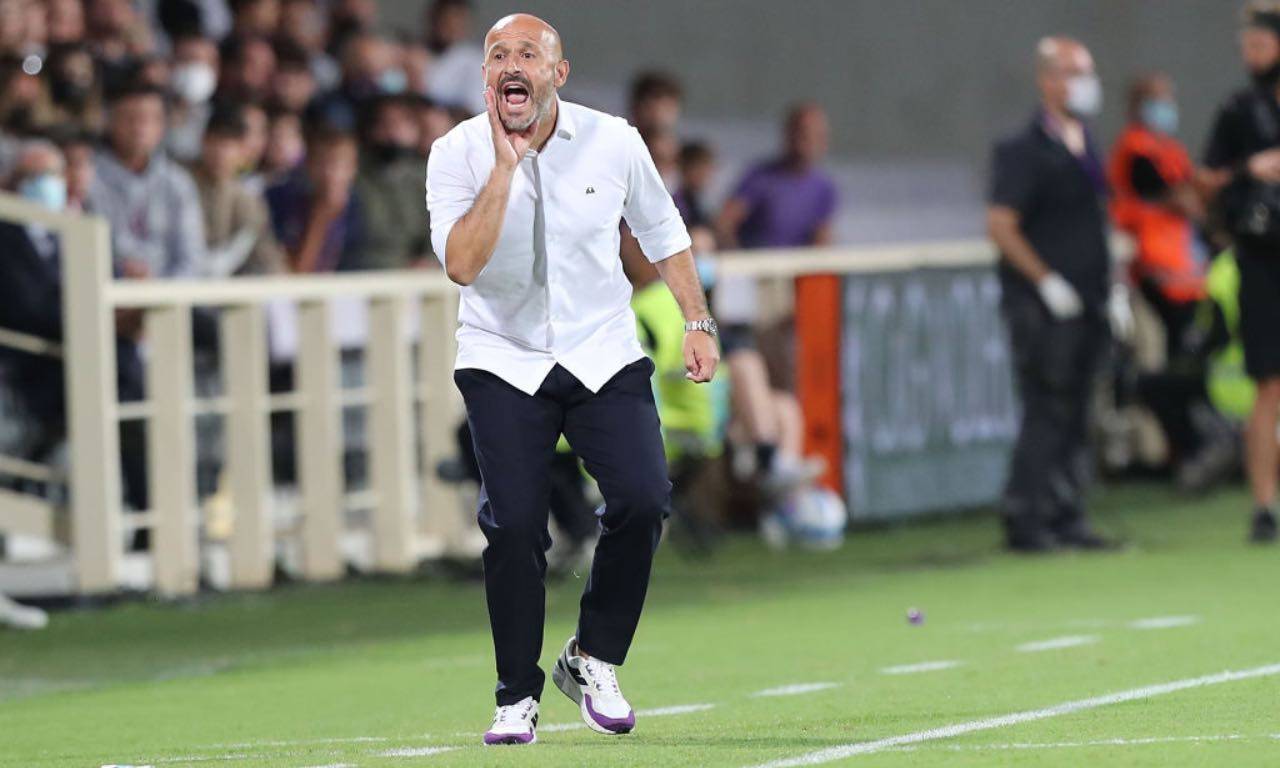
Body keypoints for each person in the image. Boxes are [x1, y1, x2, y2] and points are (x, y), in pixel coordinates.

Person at [426, 13, 718, 745]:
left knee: (645, 497)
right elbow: (462, 264)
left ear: (559, 72)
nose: (510, 64)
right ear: (486, 77)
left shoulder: (615, 140)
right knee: (516, 525)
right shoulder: (455, 154)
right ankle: (515, 694)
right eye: (498, 55)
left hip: (601, 349)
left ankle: (593, 655)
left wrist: (696, 320)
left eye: (528, 53)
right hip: (503, 357)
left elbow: (663, 231)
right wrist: (505, 169)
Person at [986, 37, 1130, 552]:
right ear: (1048, 80)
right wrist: (1045, 280)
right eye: (1075, 71)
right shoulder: (1023, 150)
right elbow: (1002, 225)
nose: (1087, 82)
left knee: (1077, 412)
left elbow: (1094, 222)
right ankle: (1027, 520)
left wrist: (1112, 286)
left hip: (1089, 299)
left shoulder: (1085, 142)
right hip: (1041, 306)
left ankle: (1067, 515)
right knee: (1046, 410)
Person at [713, 104, 834, 495]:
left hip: (791, 291)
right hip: (754, 286)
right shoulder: (761, 178)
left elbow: (821, 242)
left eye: (813, 134)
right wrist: (742, 271)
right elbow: (726, 222)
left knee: (786, 383)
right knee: (750, 367)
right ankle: (750, 444)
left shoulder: (823, 189)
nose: (806, 143)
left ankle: (777, 471)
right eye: (800, 133)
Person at [1199, 1, 1280, 543]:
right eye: (1246, 47)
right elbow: (1204, 180)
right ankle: (1263, 507)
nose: (1251, 55)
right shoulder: (1238, 110)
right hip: (1262, 259)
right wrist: (1249, 169)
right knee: (1267, 387)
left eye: (1260, 44)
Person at [88, 83, 206, 278]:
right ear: (110, 121)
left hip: (167, 300)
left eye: (150, 119)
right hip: (101, 294)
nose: (139, 128)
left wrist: (158, 296)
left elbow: (191, 259)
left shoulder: (178, 183)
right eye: (130, 118)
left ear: (162, 125)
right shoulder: (88, 177)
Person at [192, 102, 285, 277]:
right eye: (216, 142)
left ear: (243, 151)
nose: (221, 153)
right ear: (203, 141)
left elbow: (266, 258)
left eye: (229, 146)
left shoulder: (249, 201)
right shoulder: (181, 182)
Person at [266, 125, 363, 272]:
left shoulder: (359, 209)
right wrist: (319, 220)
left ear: (353, 169)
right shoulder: (283, 202)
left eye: (338, 164)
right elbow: (297, 272)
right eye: (322, 163)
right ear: (309, 166)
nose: (329, 173)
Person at [351, 93, 429, 269]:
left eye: (401, 124)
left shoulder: (427, 177)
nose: (393, 133)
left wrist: (429, 260)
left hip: (418, 279)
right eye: (385, 125)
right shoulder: (355, 179)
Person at [422, 0, 484, 113]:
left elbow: (475, 108)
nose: (451, 25)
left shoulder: (475, 60)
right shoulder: (416, 54)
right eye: (445, 20)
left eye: (457, 20)